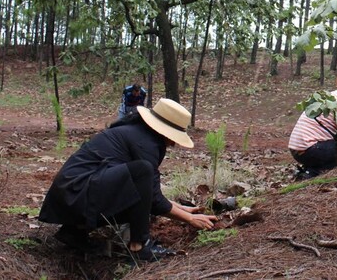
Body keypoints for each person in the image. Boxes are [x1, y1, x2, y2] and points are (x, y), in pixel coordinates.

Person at [39, 98, 218, 262]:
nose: (175, 143)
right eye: (175, 137)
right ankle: (139, 246)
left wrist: (181, 207)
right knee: (143, 171)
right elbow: (153, 199)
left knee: (140, 185)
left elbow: (147, 191)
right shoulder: (145, 142)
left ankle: (74, 232)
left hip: (71, 195)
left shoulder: (139, 133)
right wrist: (190, 219)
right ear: (167, 132)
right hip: (77, 193)